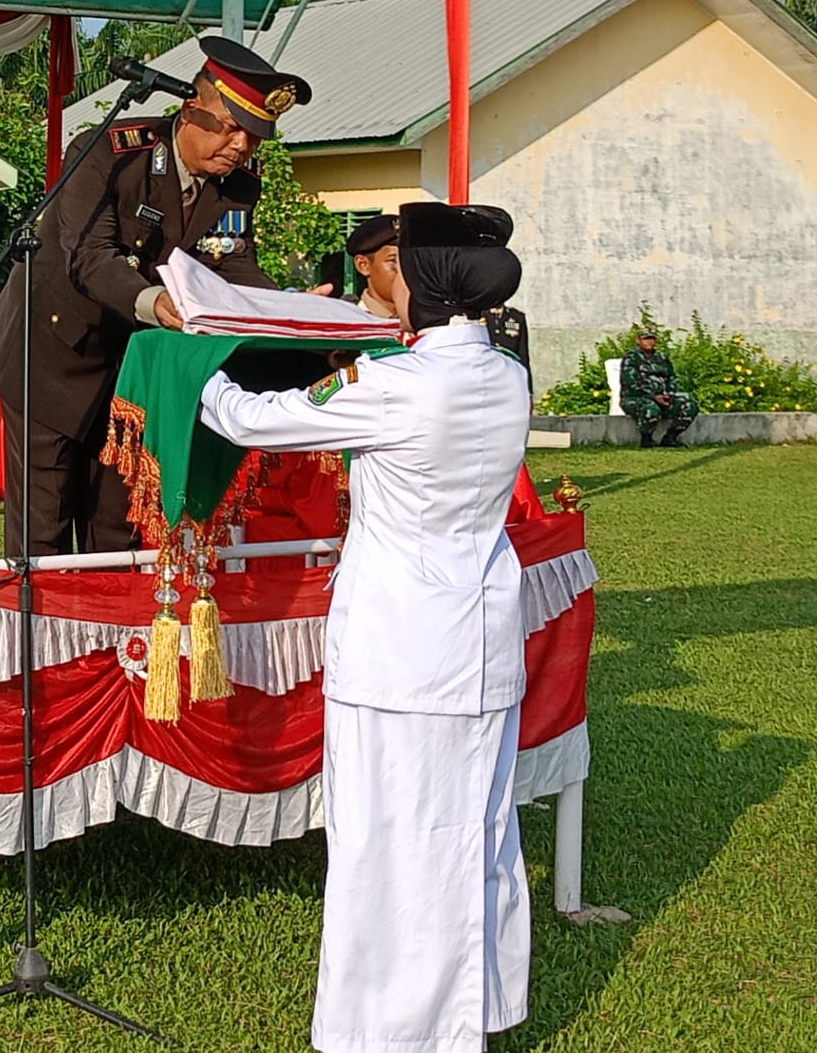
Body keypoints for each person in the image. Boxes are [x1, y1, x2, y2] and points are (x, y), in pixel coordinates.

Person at [198, 201, 531, 1053]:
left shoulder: (400, 387)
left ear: (421, 283)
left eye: (393, 267)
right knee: (476, 834)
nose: (378, 280)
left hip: (402, 652)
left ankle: (395, 1034)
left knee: (395, 846)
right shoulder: (502, 373)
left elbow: (249, 422)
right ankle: (477, 1016)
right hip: (481, 639)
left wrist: (193, 363)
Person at [0, 35, 313, 557]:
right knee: (44, 526)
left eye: (254, 138)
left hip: (133, 371)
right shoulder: (110, 154)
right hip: (52, 355)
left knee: (118, 527)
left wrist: (292, 310)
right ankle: (43, 640)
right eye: (232, 129)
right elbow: (90, 255)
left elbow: (233, 262)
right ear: (192, 108)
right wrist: (156, 303)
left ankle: (110, 637)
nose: (242, 148)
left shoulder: (239, 185)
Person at [620, 328, 698, 447]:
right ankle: (646, 439)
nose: (649, 342)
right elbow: (630, 383)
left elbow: (671, 377)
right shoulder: (632, 358)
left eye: (652, 339)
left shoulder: (661, 358)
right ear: (638, 341)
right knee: (651, 408)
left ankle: (670, 438)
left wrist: (670, 394)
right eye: (645, 339)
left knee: (689, 405)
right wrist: (653, 396)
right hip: (636, 398)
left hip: (663, 398)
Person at [342, 214, 402, 325]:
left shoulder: (431, 325)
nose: (404, 271)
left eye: (410, 262)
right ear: (363, 265)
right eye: (393, 261)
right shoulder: (346, 325)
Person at [485, 303, 532, 392]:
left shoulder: (517, 317)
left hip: (509, 377)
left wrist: (528, 390)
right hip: (487, 377)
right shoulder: (478, 316)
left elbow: (523, 355)